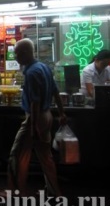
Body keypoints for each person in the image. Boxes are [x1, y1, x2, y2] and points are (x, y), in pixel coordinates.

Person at [7, 38, 67, 197]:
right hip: (47, 116)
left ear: (26, 53)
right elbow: (55, 91)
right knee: (46, 157)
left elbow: (34, 103)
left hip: (35, 119)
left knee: (17, 154)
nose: (16, 57)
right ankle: (55, 192)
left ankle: (15, 192)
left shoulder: (32, 73)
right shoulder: (44, 67)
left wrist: (33, 128)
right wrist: (61, 113)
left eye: (17, 53)